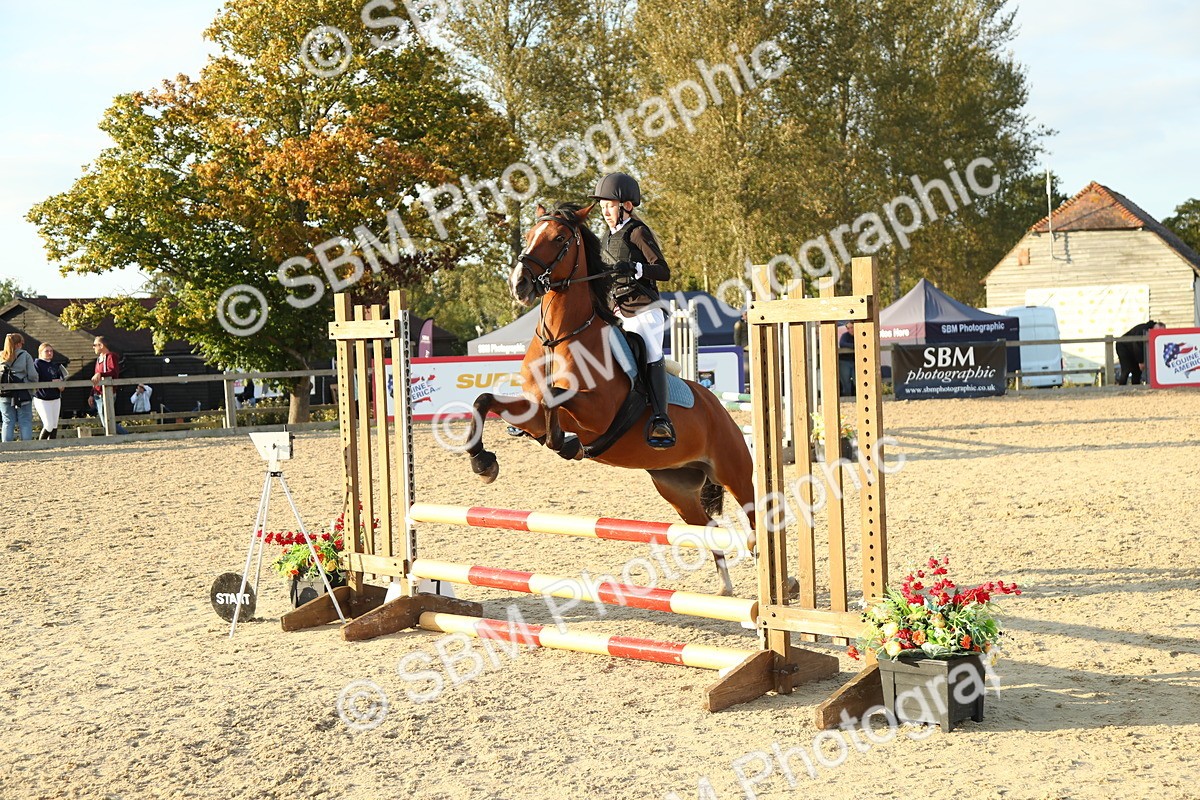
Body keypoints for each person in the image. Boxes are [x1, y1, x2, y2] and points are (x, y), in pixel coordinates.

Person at [590, 171, 675, 448]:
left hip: (644, 309)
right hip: (617, 309)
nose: (605, 210)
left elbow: (663, 271)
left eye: (609, 205)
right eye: (602, 206)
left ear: (626, 205)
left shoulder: (638, 232)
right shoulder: (604, 240)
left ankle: (662, 420)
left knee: (650, 352)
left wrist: (636, 268)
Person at [0, 332, 37, 442]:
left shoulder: (1, 356)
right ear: (18, 344)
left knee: (7, 420)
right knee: (25, 420)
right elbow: (33, 375)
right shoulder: (25, 355)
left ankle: (7, 446)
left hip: (4, 393)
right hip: (23, 392)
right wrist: (34, 386)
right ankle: (26, 446)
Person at [91, 336, 129, 434]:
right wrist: (91, 394)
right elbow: (95, 379)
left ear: (101, 345)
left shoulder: (111, 356)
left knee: (108, 421)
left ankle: (125, 435)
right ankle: (122, 436)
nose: (93, 347)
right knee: (105, 422)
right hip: (98, 393)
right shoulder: (99, 359)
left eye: (95, 345)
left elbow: (114, 372)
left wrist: (101, 374)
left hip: (107, 392)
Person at [33, 342, 68, 439]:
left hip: (56, 397)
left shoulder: (55, 365)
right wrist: (52, 381)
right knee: (48, 425)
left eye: (51, 351)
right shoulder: (36, 364)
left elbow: (61, 380)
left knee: (54, 425)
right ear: (40, 352)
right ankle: (41, 444)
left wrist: (61, 385)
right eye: (47, 351)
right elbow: (35, 380)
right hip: (42, 398)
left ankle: (52, 446)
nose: (49, 353)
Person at [1116, 320, 1165, 385]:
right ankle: (1121, 388)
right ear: (1155, 328)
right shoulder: (1142, 330)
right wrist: (1141, 361)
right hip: (1123, 346)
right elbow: (1137, 346)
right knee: (1126, 369)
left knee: (1137, 371)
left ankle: (1136, 388)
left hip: (1133, 349)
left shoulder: (1149, 331)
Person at [838, 322, 856, 397]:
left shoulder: (860, 335)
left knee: (857, 381)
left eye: (852, 327)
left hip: (855, 361)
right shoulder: (845, 336)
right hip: (844, 361)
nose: (850, 330)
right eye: (848, 328)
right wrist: (854, 346)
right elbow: (842, 344)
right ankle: (847, 398)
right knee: (846, 382)